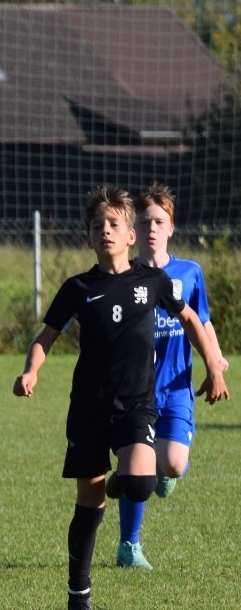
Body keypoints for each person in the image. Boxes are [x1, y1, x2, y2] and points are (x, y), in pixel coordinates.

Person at [13, 187, 226, 610]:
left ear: (131, 235)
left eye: (113, 224)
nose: (105, 231)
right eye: (97, 226)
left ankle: (123, 478)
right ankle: (78, 597)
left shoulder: (153, 282)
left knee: (141, 484)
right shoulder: (78, 288)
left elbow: (190, 319)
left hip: (136, 406)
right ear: (89, 237)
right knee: (88, 504)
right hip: (89, 409)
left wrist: (213, 366)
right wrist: (31, 371)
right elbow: (45, 336)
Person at [115, 183, 229, 570]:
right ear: (133, 229)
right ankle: (129, 546)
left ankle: (164, 470)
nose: (152, 228)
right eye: (144, 221)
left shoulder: (189, 273)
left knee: (174, 464)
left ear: (171, 228)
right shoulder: (124, 276)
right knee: (138, 465)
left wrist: (215, 360)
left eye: (159, 221)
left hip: (177, 386)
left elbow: (202, 321)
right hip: (135, 391)